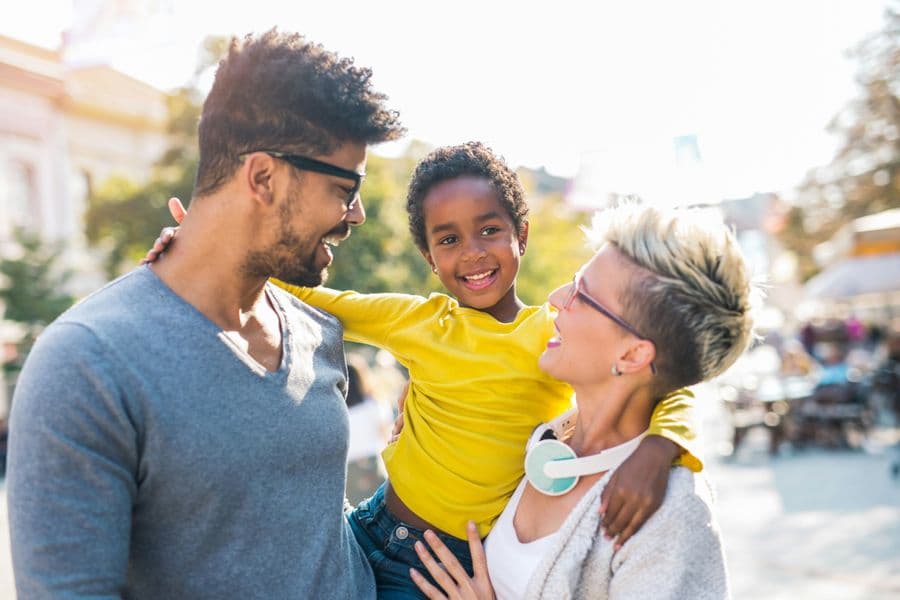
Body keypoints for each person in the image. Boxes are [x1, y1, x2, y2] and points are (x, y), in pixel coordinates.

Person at [147, 142, 702, 598]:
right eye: (448, 240)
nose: (473, 253)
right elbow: (302, 296)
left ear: (521, 236)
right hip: (367, 525)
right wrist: (206, 251)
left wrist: (660, 447)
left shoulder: (552, 336)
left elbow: (668, 381)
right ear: (429, 259)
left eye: (489, 230)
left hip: (441, 570)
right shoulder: (416, 321)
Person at [7, 30, 403, 598]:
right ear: (263, 177)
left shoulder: (319, 334)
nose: (357, 214)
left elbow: (311, 530)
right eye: (346, 187)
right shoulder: (85, 363)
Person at [409, 202, 756, 599]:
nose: (556, 297)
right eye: (572, 281)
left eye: (582, 295)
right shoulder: (544, 433)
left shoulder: (671, 514)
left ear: (632, 355)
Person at [345, 353, 393, 505]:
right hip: (373, 463)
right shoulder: (374, 403)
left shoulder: (339, 411)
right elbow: (387, 435)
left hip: (348, 469)